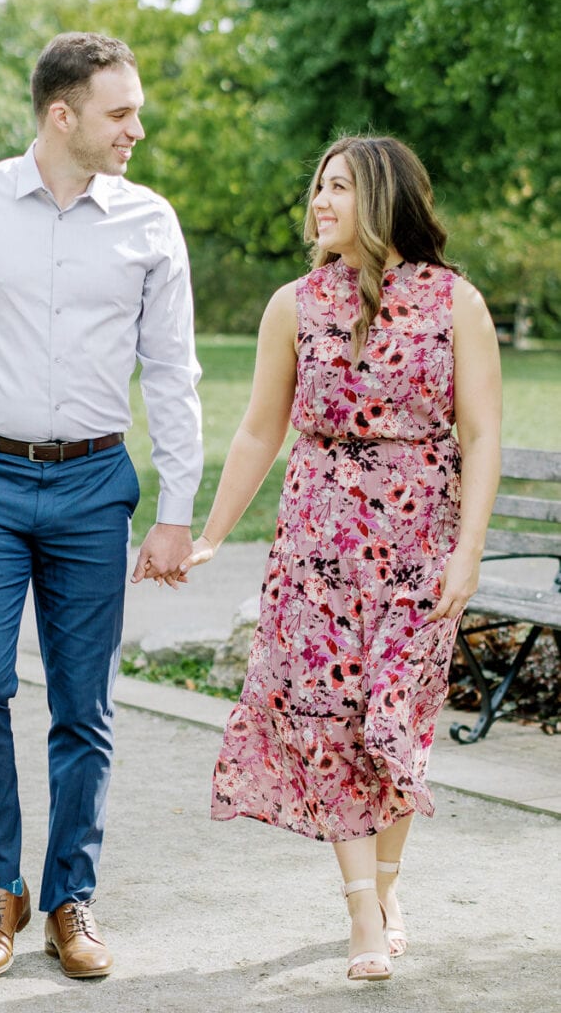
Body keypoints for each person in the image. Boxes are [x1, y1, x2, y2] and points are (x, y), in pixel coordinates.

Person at [0, 32, 202, 981]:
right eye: (120, 112)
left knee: (84, 706)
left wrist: (176, 508)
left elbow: (172, 372)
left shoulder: (150, 222)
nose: (136, 129)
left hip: (92, 485)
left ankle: (70, 896)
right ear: (61, 114)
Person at [181, 135, 501, 982]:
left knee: (395, 724)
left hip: (419, 549)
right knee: (330, 726)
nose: (318, 203)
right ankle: (362, 906)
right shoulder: (293, 303)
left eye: (338, 189)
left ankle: (388, 884)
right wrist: (213, 531)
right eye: (316, 187)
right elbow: (259, 429)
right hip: (316, 551)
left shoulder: (454, 303)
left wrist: (468, 551)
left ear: (384, 198)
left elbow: (480, 433)